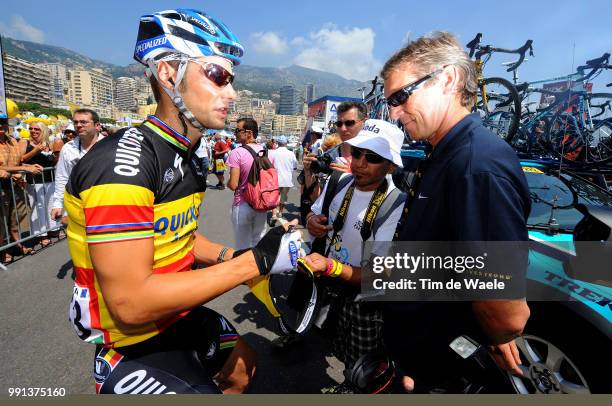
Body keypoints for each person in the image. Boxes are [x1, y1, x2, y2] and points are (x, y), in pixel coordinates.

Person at [64, 8, 301, 395]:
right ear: (169, 74)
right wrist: (252, 262)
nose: (232, 92)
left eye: (232, 80)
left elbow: (178, 237)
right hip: (131, 337)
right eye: (217, 75)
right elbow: (131, 303)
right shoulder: (125, 165)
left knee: (244, 368)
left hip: (174, 314)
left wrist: (234, 258)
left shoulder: (186, 154)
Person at [381, 32, 531, 391]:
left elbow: (506, 313)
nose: (393, 112)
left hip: (441, 371)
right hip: (418, 354)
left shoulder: (476, 164)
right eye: (389, 102)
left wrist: (488, 327)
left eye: (401, 96)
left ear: (447, 79)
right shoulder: (443, 152)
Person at [301, 120, 406, 391]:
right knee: (337, 346)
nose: (359, 163)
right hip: (332, 287)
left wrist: (331, 267)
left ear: (391, 166)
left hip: (366, 302)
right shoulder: (340, 180)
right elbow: (312, 212)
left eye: (372, 158)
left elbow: (381, 273)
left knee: (363, 362)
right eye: (357, 153)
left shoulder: (396, 205)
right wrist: (312, 221)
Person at [50, 109, 104, 224]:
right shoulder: (68, 148)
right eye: (76, 122)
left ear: (97, 126)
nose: (78, 125)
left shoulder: (110, 145)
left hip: (104, 203)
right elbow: (62, 177)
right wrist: (57, 204)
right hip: (77, 203)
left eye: (83, 122)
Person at [0, 118, 43, 262]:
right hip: (2, 187)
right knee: (2, 221)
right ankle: (4, 251)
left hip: (15, 185)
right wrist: (24, 168)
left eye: (3, 122)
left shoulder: (12, 140)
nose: (1, 125)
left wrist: (25, 168)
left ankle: (18, 245)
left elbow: (19, 161)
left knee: (16, 218)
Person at [227, 118, 267, 249]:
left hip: (243, 203)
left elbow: (233, 185)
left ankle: (242, 268)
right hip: (261, 204)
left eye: (238, 130)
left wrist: (228, 182)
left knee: (242, 245)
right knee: (258, 243)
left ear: (248, 133)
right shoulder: (266, 153)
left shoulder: (237, 152)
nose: (235, 133)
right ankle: (257, 268)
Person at [21, 122, 57, 247]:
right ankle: (41, 234)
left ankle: (52, 229)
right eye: (31, 128)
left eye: (37, 129)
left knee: (49, 206)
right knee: (38, 209)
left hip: (49, 180)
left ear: (43, 131)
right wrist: (35, 151)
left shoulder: (48, 143)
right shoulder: (24, 143)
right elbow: (20, 159)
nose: (33, 131)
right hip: (34, 182)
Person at [268, 135, 297, 223]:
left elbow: (268, 166)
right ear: (286, 143)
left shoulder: (272, 152)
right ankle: (280, 212)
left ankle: (273, 215)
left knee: (274, 197)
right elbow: (295, 166)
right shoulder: (291, 153)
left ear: (277, 143)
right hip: (287, 179)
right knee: (283, 197)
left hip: (275, 178)